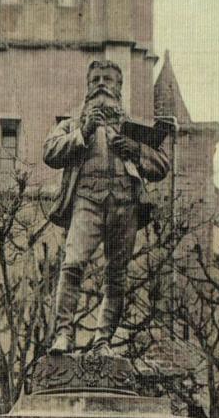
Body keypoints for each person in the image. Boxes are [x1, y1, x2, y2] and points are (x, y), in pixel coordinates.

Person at [43, 59, 170, 355]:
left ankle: (103, 340)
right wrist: (83, 133)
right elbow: (50, 151)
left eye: (108, 79)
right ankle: (63, 334)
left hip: (125, 204)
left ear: (119, 87)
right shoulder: (73, 123)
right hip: (87, 200)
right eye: (96, 79)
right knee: (72, 265)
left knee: (116, 275)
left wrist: (136, 150)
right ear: (88, 87)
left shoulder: (135, 127)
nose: (102, 84)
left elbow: (162, 164)